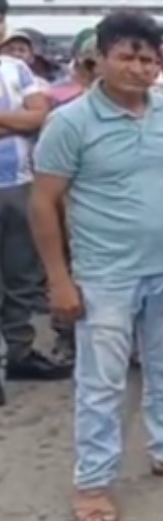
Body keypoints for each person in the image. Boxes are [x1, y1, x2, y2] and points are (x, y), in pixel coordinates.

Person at [29, 11, 163, 521]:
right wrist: (59, 278)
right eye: (127, 57)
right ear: (100, 59)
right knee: (101, 384)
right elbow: (44, 202)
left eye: (148, 59)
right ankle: (92, 484)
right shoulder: (69, 122)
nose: (138, 68)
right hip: (103, 276)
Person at [0, 31, 71, 391]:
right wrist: (14, 119)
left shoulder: (17, 70)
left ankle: (18, 352)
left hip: (17, 183)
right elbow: (24, 119)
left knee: (21, 277)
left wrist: (17, 119)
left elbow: (37, 119)